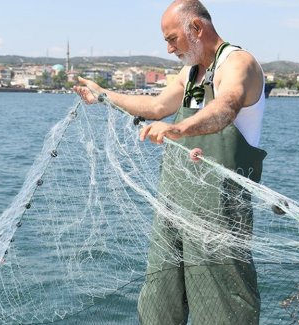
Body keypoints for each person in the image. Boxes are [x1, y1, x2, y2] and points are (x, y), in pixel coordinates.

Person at [75, 1, 266, 323]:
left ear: (196, 28)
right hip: (174, 202)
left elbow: (226, 106)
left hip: (218, 209)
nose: (168, 48)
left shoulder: (238, 63)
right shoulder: (190, 73)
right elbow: (156, 106)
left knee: (220, 300)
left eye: (172, 38)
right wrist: (104, 95)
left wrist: (178, 128)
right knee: (160, 295)